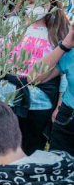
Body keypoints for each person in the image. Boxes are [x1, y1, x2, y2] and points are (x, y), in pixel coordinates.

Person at [0, 0, 69, 155]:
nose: (33, 7)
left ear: (51, 2)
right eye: (29, 2)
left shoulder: (60, 31)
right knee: (1, 149)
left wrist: (59, 105)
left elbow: (65, 72)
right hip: (4, 96)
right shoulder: (11, 24)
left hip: (39, 103)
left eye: (38, 2)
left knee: (30, 151)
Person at [30, 14, 74, 156]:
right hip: (68, 120)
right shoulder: (71, 52)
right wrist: (65, 44)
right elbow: (34, 77)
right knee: (59, 172)